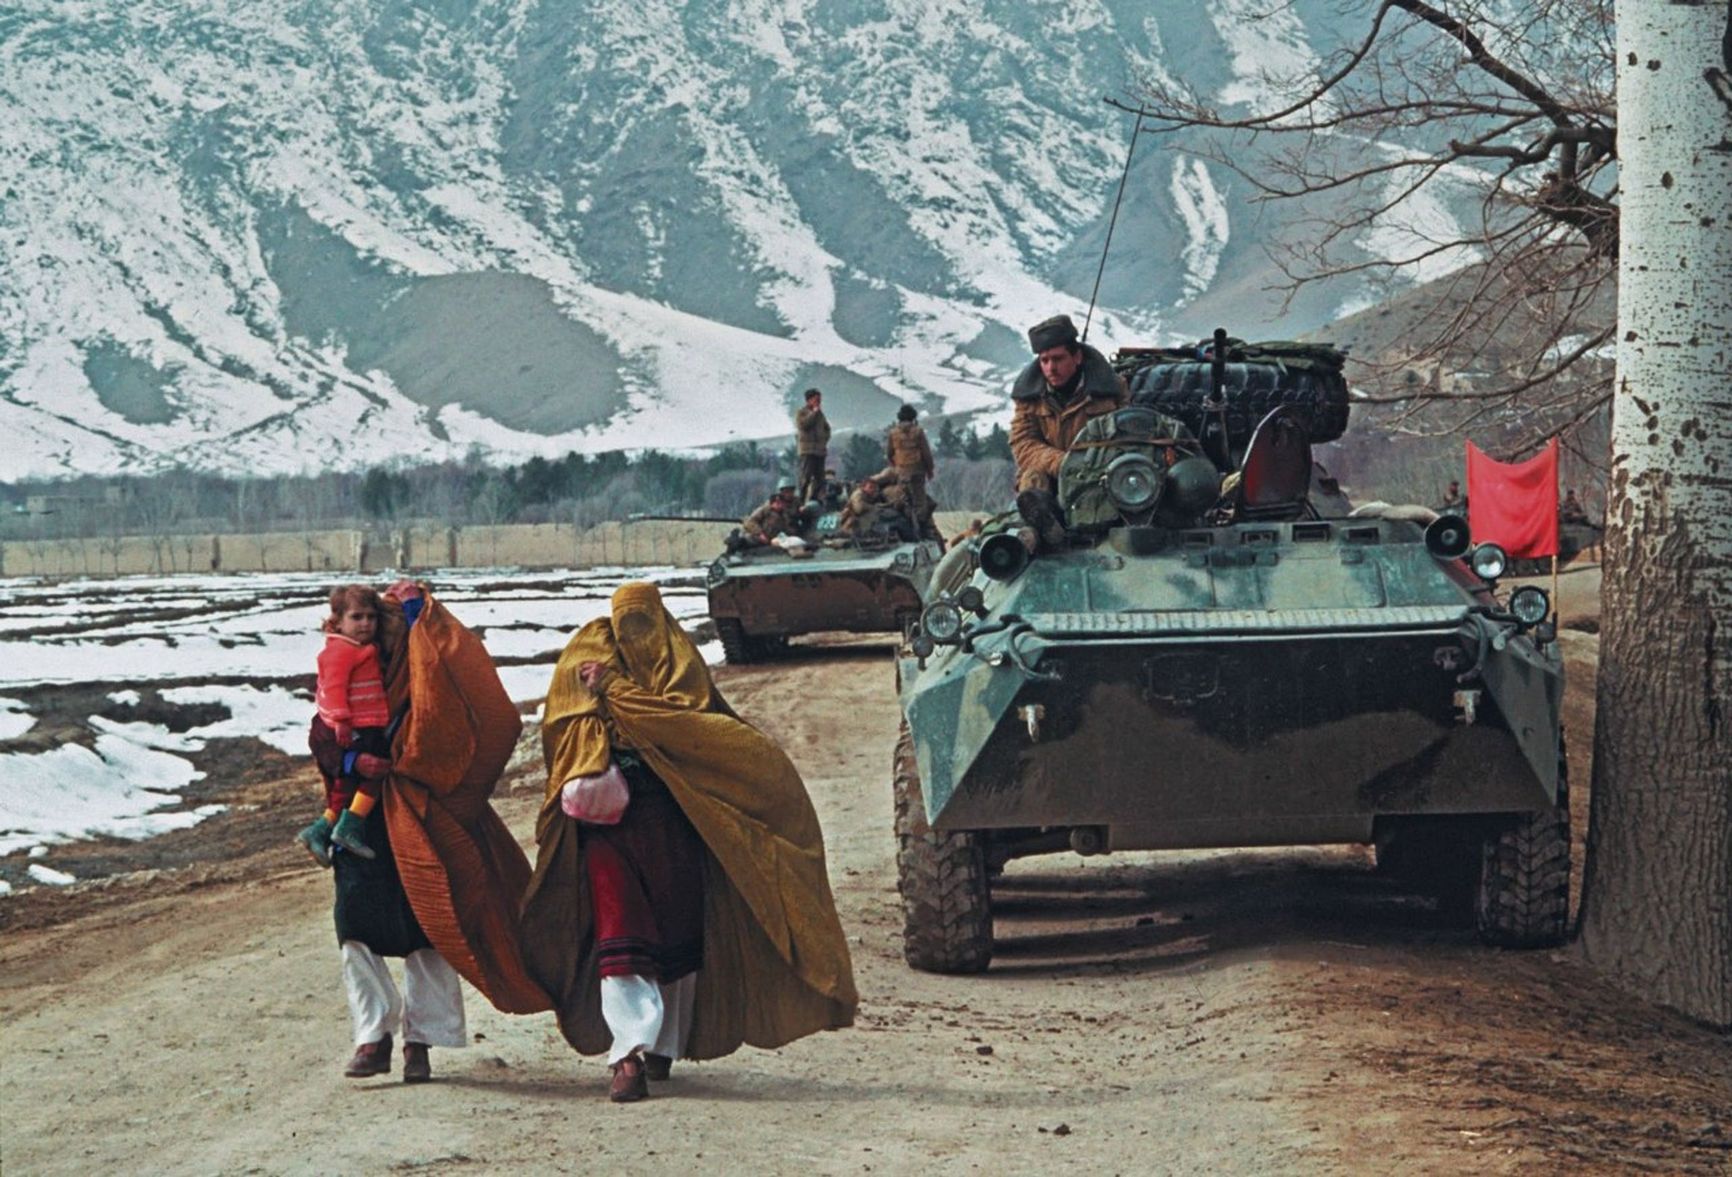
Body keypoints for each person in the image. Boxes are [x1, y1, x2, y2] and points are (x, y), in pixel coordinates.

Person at [522, 582, 858, 1103]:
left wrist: (615, 694)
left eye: (645, 622)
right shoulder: (587, 658)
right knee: (620, 937)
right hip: (609, 830)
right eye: (626, 623)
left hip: (677, 820)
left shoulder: (680, 671)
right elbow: (565, 729)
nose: (637, 635)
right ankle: (628, 1056)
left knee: (677, 937)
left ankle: (662, 1044)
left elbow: (691, 728)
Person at [312, 581, 550, 1086]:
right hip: (363, 823)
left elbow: (480, 721)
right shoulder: (350, 671)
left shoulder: (431, 684)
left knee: (428, 928)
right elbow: (325, 730)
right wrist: (352, 762)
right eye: (370, 623)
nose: (378, 635)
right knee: (353, 925)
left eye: (388, 627)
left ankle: (419, 1042)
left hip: (424, 819)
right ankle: (373, 1036)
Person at [1009, 313, 1126, 547]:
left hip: (1098, 475)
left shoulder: (1111, 390)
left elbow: (1125, 437)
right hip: (1050, 481)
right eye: (1044, 361)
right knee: (1032, 478)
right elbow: (1023, 444)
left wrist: (1090, 466)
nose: (1051, 368)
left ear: (1077, 357)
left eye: (1058, 359)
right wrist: (1064, 463)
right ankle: (1044, 532)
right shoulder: (1028, 396)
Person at [298, 586, 393, 863]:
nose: (366, 624)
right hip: (355, 729)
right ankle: (349, 826)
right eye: (357, 617)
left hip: (365, 726)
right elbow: (333, 688)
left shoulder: (362, 649)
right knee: (376, 773)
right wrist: (341, 721)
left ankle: (321, 830)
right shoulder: (340, 651)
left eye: (371, 617)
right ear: (338, 621)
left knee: (346, 786)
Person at [885, 404, 935, 529]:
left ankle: (906, 523)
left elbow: (889, 453)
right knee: (919, 499)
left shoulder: (893, 433)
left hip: (901, 470)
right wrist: (930, 469)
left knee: (903, 498)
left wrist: (894, 465)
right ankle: (921, 526)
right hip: (917, 469)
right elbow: (926, 452)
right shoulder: (918, 431)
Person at [794, 389, 831, 505]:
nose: (818, 402)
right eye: (816, 400)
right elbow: (803, 425)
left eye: (819, 400)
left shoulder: (821, 415)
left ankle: (814, 500)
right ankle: (801, 501)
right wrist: (814, 413)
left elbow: (827, 429)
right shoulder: (802, 412)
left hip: (819, 451)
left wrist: (824, 440)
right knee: (805, 477)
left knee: (820, 478)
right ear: (809, 400)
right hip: (807, 450)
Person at [739, 479, 801, 546]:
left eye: (791, 491)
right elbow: (750, 522)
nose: (788, 494)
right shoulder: (766, 509)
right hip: (760, 537)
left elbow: (787, 527)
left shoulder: (789, 508)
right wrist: (760, 534)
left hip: (775, 540)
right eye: (777, 503)